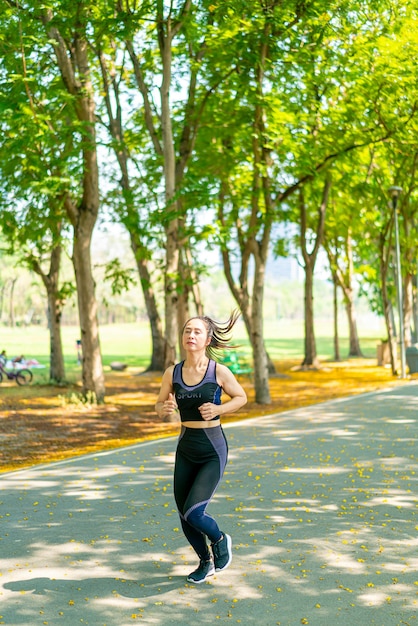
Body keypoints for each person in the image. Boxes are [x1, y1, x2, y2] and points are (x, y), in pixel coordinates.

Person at [155, 311, 247, 584]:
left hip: (212, 450)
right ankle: (204, 562)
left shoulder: (218, 371)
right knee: (184, 513)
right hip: (186, 448)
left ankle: (220, 539)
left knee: (195, 511)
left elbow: (241, 397)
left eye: (196, 332)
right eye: (187, 331)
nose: (191, 335)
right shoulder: (173, 372)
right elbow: (159, 405)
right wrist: (165, 408)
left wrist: (219, 408)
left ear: (207, 339)